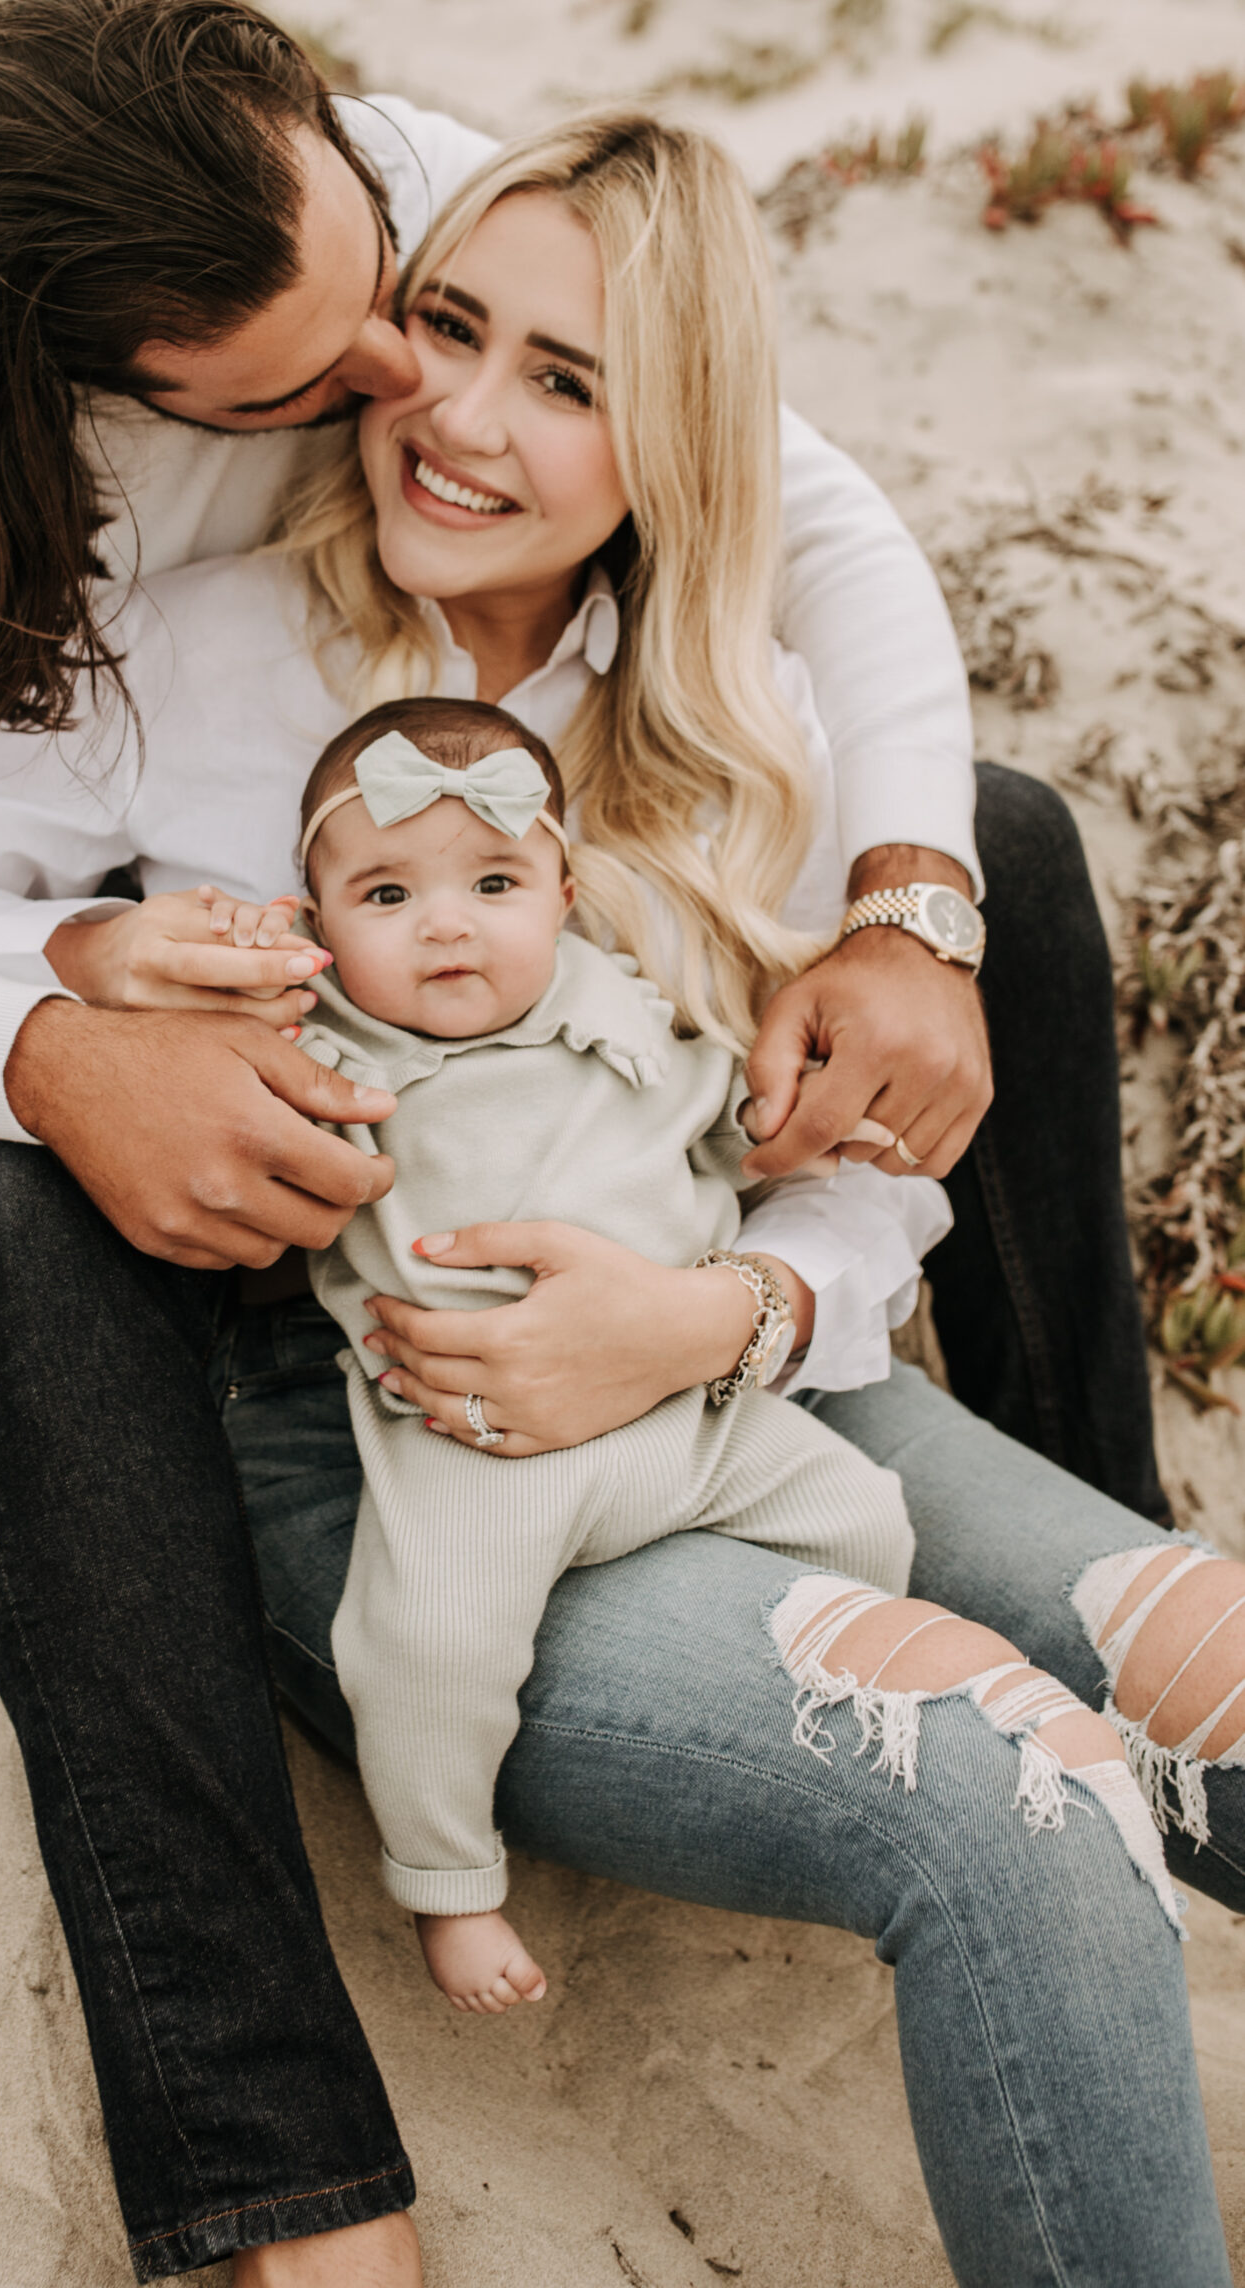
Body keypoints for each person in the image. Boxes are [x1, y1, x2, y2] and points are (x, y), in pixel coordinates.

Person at [0, 0, 1161, 2281]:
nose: (404, 384)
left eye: (419, 302)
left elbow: (785, 503)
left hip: (707, 1343)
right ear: (123, 391)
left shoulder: (416, 222)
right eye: (339, 365)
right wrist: (56, 1011)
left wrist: (894, 933)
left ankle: (1096, 1542)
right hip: (333, 1351)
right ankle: (273, 2167)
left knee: (1002, 853)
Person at [292, 699, 919, 2015]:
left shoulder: (622, 1011)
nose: (447, 923)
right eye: (388, 892)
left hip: (683, 1408)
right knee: (426, 1648)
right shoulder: (326, 1058)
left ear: (565, 895)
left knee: (862, 1513)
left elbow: (725, 1125)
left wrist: (794, 1130)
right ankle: (447, 1883)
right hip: (478, 1440)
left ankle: (773, 1699)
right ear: (317, 919)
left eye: (495, 882)